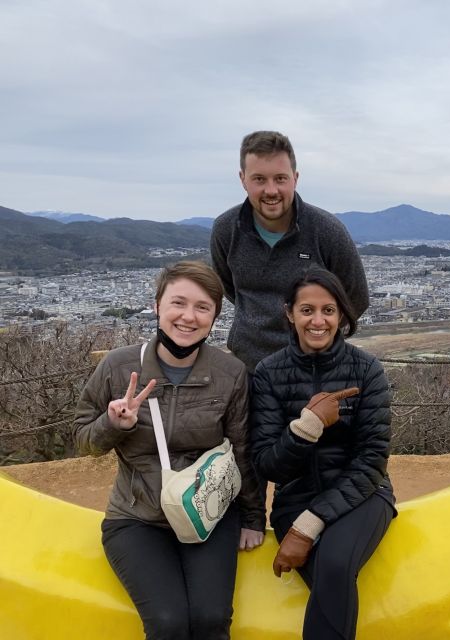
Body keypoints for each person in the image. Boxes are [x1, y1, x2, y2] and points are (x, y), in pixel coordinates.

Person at [72, 261, 266, 640]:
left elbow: (242, 448)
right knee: (167, 622)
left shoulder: (230, 373)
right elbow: (82, 438)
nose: (188, 317)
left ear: (214, 317)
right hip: (137, 516)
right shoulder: (118, 366)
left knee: (211, 619)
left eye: (202, 307)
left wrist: (253, 518)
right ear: (157, 305)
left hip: (208, 512)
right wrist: (112, 424)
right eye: (178, 303)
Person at [251, 266, 396, 640]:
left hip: (364, 496)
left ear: (341, 315)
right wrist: (306, 429)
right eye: (307, 310)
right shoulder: (268, 373)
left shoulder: (366, 370)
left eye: (328, 310)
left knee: (333, 564)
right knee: (331, 585)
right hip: (295, 498)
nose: (318, 321)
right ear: (289, 314)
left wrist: (308, 526)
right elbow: (267, 464)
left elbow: (372, 460)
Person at [210, 130, 369, 373]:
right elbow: (231, 290)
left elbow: (356, 298)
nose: (271, 190)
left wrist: (317, 337)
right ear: (243, 179)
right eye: (259, 179)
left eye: (280, 179)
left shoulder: (327, 230)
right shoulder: (226, 229)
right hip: (249, 368)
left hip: (314, 368)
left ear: (295, 178)